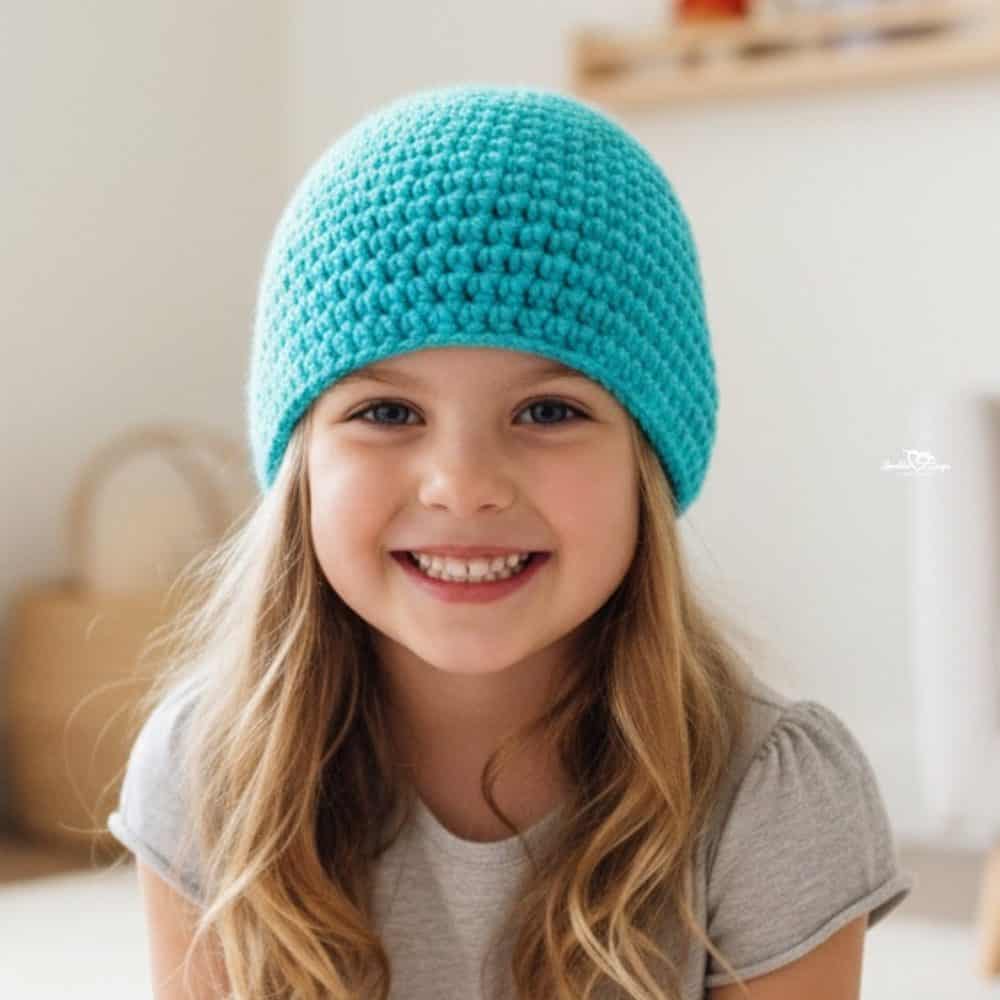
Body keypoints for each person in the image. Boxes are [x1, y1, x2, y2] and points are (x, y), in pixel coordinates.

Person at [106, 83, 914, 1000]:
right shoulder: (209, 771)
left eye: (547, 410)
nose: (464, 484)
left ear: (648, 459)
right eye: (386, 411)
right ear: (301, 466)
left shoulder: (772, 798)